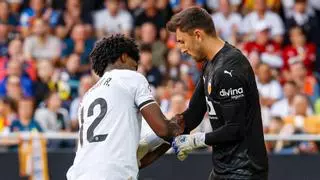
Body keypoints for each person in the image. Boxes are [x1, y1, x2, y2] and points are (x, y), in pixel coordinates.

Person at [166, 7, 268, 179]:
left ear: (198, 35)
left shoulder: (230, 69)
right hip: (222, 169)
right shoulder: (210, 64)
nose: (182, 49)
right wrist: (158, 138)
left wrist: (194, 140)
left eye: (182, 41)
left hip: (244, 171)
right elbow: (194, 113)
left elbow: (235, 128)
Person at [66, 34, 183, 180]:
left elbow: (137, 162)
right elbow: (163, 129)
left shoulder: (87, 96)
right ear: (124, 57)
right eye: (135, 65)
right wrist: (178, 127)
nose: (136, 70)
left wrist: (168, 142)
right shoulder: (131, 77)